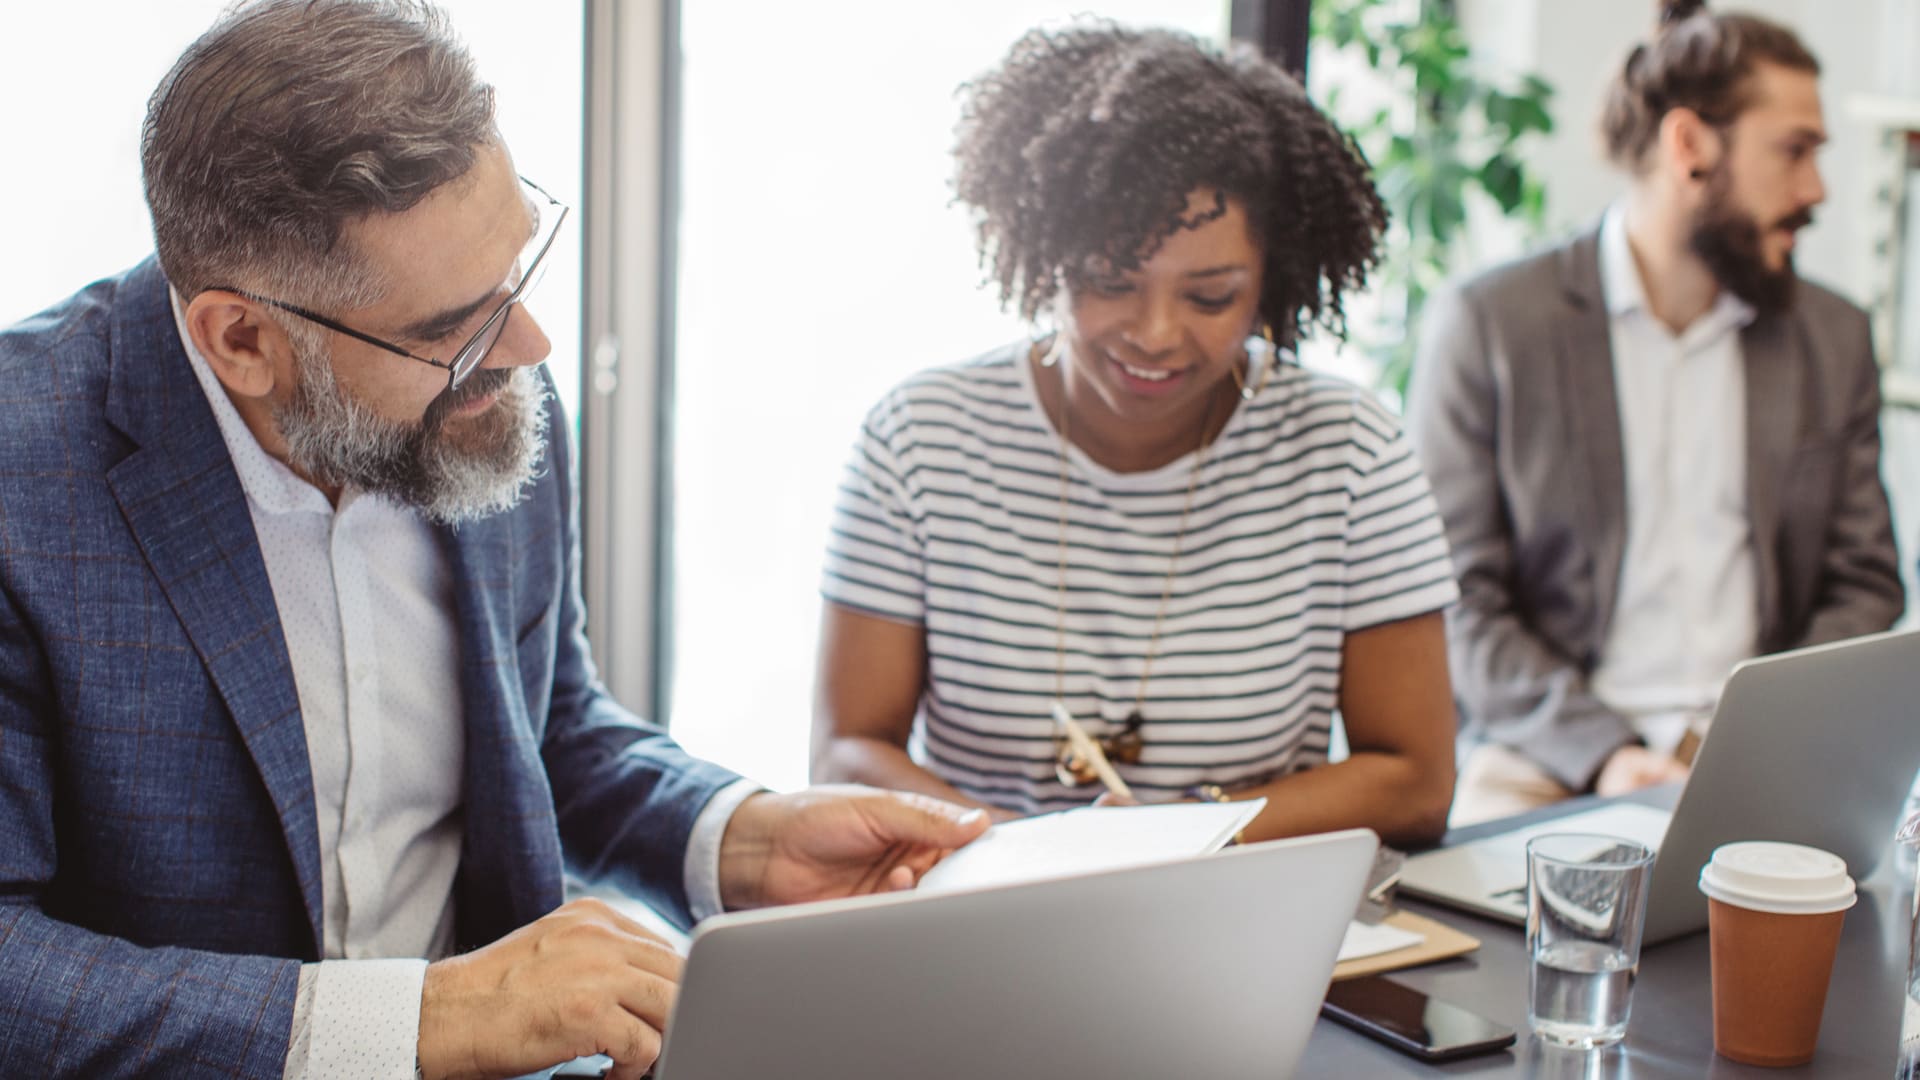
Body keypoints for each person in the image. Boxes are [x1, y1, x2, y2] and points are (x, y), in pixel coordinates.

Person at [0, 3, 989, 1077]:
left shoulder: (486, 391)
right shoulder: (21, 473)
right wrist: (425, 1020)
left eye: (518, 266)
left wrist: (740, 837)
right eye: (447, 327)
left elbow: (547, 727)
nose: (528, 343)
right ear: (242, 338)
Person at [811, 23, 1460, 849]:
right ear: (1046, 255)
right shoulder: (918, 439)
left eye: (1211, 296)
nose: (1156, 334)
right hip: (979, 910)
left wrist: (1183, 834)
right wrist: (1025, 855)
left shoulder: (1349, 451)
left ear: (1271, 285)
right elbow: (845, 754)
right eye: (1111, 283)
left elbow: (1416, 781)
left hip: (1240, 919)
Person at [1406, 0, 1903, 826]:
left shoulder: (1832, 336)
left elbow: (1864, 584)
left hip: (1758, 759)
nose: (1816, 189)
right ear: (1689, 147)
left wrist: (1754, 737)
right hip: (1548, 760)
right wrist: (1605, 753)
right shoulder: (1492, 325)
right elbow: (1457, 600)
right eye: (1795, 150)